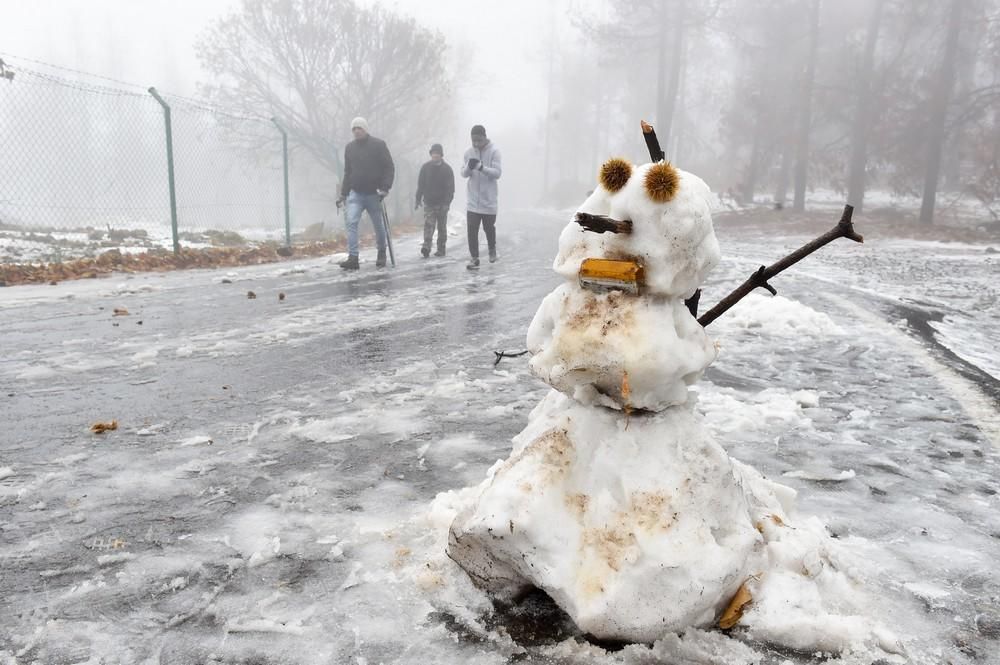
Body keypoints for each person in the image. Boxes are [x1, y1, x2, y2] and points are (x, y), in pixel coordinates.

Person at [336, 117, 395, 270]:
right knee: (351, 222)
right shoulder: (349, 148)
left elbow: (389, 167)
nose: (356, 131)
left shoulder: (378, 145)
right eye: (354, 129)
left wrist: (385, 187)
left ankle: (381, 252)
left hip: (374, 193)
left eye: (359, 128)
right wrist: (343, 193)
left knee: (378, 225)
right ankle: (353, 257)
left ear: (365, 129)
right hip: (356, 193)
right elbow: (348, 172)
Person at [461, 124, 502, 270]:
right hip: (473, 200)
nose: (476, 143)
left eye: (479, 140)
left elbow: (497, 173)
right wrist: (469, 167)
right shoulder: (468, 152)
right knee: (471, 229)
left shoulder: (494, 152)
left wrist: (481, 167)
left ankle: (492, 249)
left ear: (485, 137)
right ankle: (474, 258)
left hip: (488, 200)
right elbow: (463, 174)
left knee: (488, 228)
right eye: (473, 141)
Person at [415, 143, 455, 258]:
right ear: (431, 154)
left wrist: (447, 203)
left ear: (441, 155)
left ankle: (441, 249)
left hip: (442, 203)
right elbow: (421, 185)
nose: (435, 156)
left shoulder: (447, 170)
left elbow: (450, 189)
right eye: (433, 154)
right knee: (429, 225)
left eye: (437, 154)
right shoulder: (425, 168)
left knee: (442, 227)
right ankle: (426, 247)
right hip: (429, 202)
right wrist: (418, 199)